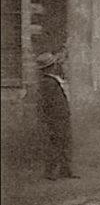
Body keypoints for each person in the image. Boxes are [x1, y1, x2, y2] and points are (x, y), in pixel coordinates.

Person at [37, 51, 76, 180]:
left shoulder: (53, 79)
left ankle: (65, 170)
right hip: (56, 117)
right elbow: (48, 102)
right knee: (56, 143)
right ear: (50, 67)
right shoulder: (47, 82)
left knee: (64, 142)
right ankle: (51, 172)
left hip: (61, 115)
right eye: (53, 65)